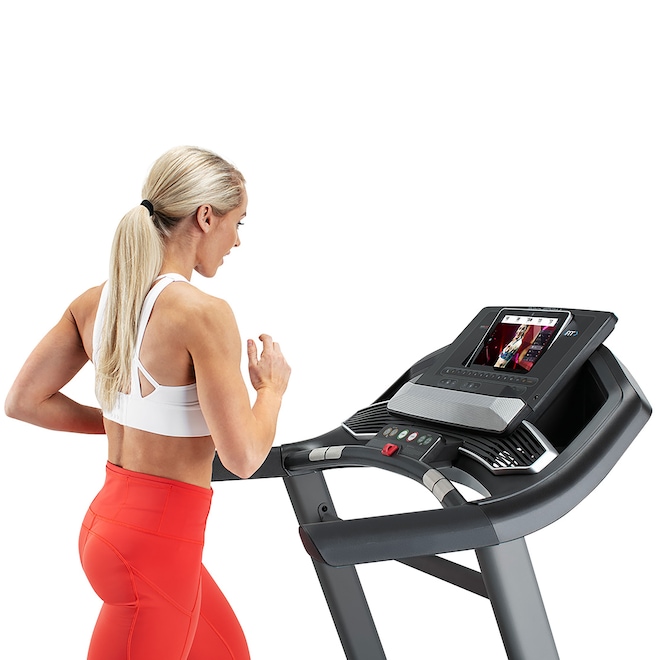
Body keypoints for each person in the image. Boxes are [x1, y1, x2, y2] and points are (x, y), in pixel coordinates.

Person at [4, 146, 291, 659]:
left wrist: (130, 421)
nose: (237, 241)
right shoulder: (203, 314)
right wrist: (271, 390)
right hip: (156, 547)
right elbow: (244, 457)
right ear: (206, 217)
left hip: (112, 525)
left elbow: (25, 401)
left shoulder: (96, 302)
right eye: (238, 222)